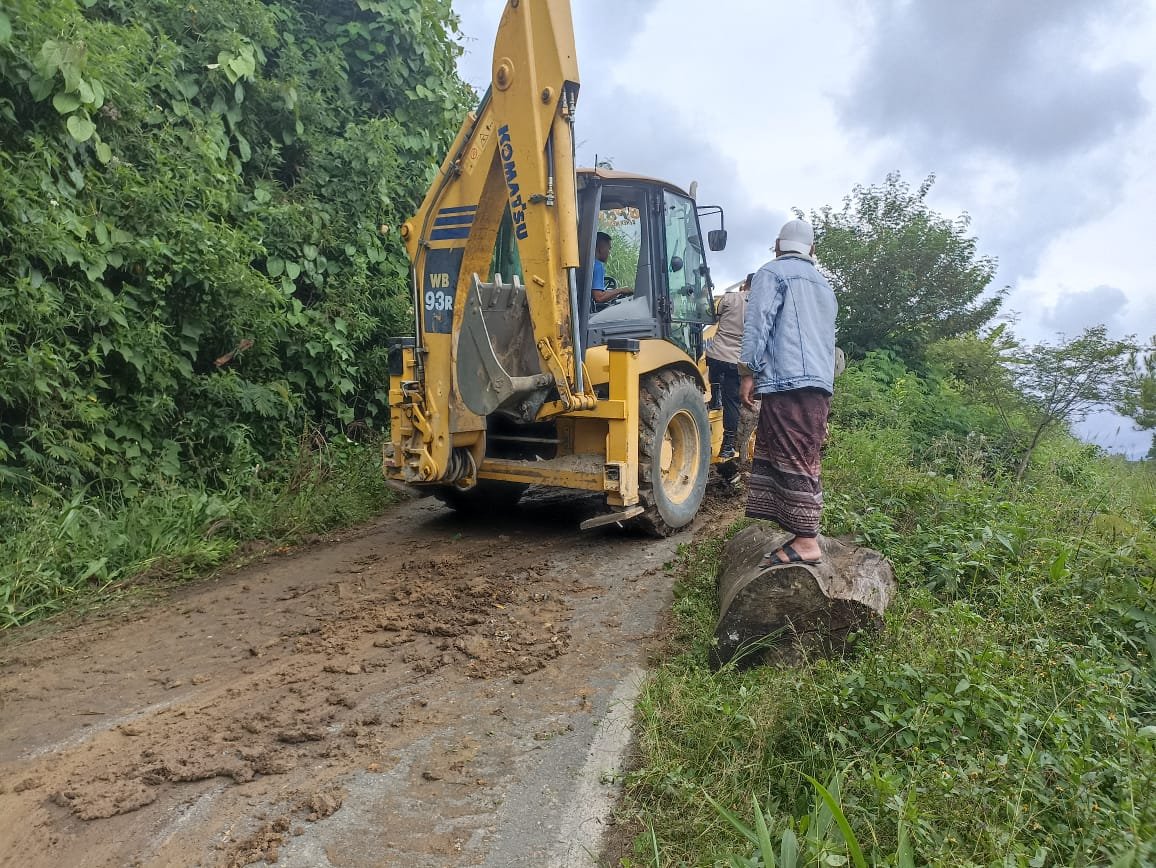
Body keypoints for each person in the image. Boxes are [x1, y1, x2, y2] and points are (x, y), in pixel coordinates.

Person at [739, 218, 838, 568]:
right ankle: (803, 533)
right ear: (812, 250)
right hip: (819, 386)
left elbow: (758, 323)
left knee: (792, 455)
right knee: (805, 454)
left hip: (788, 381)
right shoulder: (824, 285)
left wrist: (748, 370)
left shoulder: (772, 273)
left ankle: (807, 541)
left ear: (778, 245)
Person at [705, 273, 753, 461]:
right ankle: (727, 446)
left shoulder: (729, 297)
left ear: (745, 285)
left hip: (717, 354)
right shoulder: (758, 305)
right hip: (736, 361)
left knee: (712, 364)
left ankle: (715, 397)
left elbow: (714, 316)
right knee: (732, 403)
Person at [591, 231, 631, 307]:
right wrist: (621, 290)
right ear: (601, 249)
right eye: (609, 249)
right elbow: (599, 297)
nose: (609, 253)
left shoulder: (589, 264)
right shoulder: (597, 266)